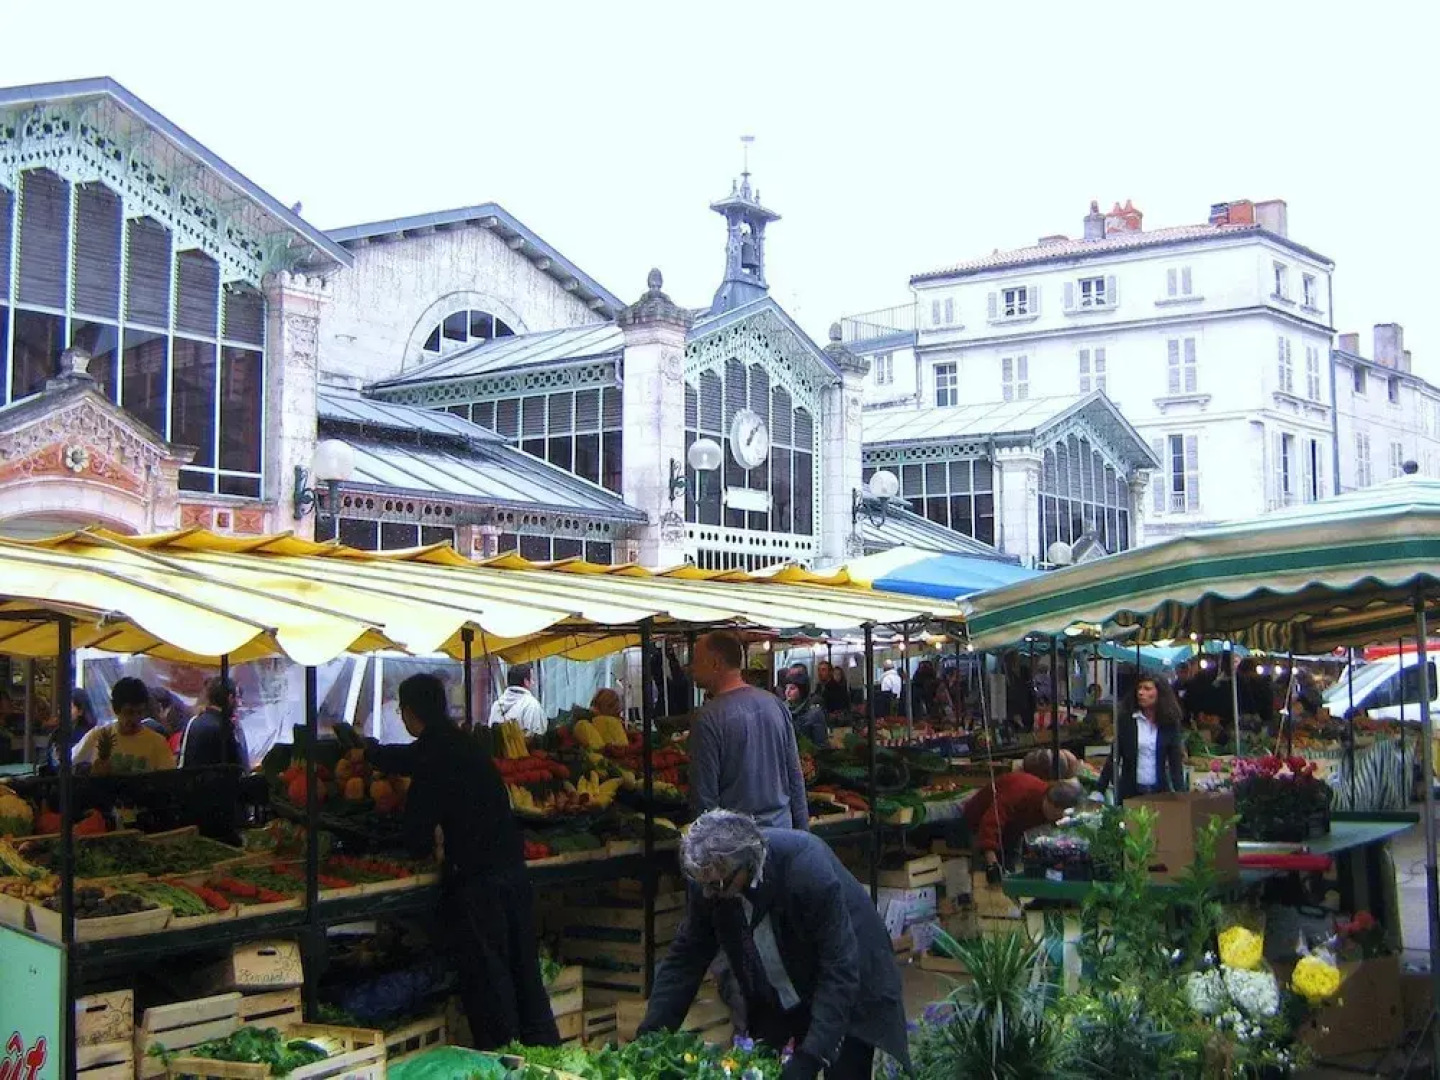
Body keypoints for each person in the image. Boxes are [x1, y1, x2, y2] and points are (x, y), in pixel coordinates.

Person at [640, 810, 910, 1080]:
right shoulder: (711, 881)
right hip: (786, 976)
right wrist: (650, 1036)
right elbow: (686, 957)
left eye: (717, 885)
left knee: (842, 1066)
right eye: (704, 885)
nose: (709, 894)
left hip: (857, 973)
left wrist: (810, 1057)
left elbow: (839, 969)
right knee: (769, 1061)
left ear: (747, 863)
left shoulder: (805, 869)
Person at [366, 673, 558, 1050]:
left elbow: (417, 833)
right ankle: (544, 1053)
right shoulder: (463, 744)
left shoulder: (434, 756)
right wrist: (372, 752)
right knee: (524, 969)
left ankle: (504, 1058)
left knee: (490, 977)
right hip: (512, 869)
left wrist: (422, 846)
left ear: (410, 712)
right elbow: (408, 758)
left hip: (478, 878)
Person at [688, 631, 808, 829]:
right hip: (782, 831)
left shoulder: (707, 718)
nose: (691, 667)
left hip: (737, 839)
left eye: (696, 660)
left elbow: (704, 799)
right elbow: (795, 778)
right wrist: (802, 834)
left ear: (716, 663)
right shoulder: (775, 704)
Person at [963, 772, 1083, 883]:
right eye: (1055, 816)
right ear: (1050, 802)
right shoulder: (1019, 793)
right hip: (979, 822)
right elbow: (989, 824)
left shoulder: (1053, 808)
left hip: (1012, 830)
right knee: (985, 874)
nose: (1055, 820)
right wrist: (992, 864)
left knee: (1009, 873)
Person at [1097, 675, 1185, 802]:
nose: (1141, 693)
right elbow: (1114, 757)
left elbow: (1175, 763)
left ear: (1160, 693)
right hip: (1130, 792)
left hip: (1159, 792)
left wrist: (1181, 794)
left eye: (1147, 689)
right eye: (1139, 688)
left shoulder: (1169, 724)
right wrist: (1099, 790)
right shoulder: (1127, 721)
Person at [73, 678, 175, 774]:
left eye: (140, 712)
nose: (135, 719)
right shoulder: (97, 736)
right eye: (129, 712)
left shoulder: (157, 743)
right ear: (115, 709)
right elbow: (70, 766)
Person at [179, 677, 249, 769]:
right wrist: (238, 732)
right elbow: (240, 766)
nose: (239, 704)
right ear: (230, 698)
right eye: (237, 697)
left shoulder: (192, 722)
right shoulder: (225, 728)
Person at [488, 663, 547, 736]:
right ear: (526, 682)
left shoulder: (496, 705)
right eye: (532, 679)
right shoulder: (532, 705)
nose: (533, 683)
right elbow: (538, 736)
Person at [45, 690, 96, 772]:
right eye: (60, 707)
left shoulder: (89, 734)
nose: (62, 711)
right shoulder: (57, 733)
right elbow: (52, 761)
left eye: (69, 707)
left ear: (80, 711)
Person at [783, 672, 828, 746]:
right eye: (786, 688)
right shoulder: (782, 709)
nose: (787, 692)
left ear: (802, 690)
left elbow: (821, 744)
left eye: (792, 688)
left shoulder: (815, 713)